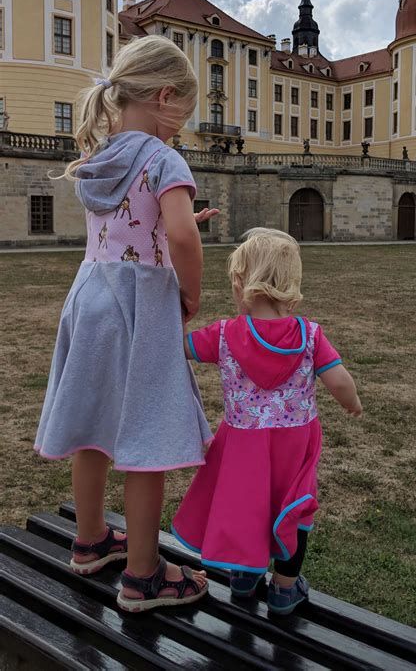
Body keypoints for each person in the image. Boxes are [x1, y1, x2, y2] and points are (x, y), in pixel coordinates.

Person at [35, 35, 219, 612]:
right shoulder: (164, 158)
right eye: (180, 117)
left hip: (90, 296)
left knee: (92, 423)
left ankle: (90, 541)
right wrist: (190, 292)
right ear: (164, 96)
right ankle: (143, 575)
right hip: (141, 304)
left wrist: (171, 226)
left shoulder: (100, 156)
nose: (178, 130)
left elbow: (128, 230)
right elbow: (182, 236)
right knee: (149, 430)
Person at [172, 228, 362, 615]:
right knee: (294, 508)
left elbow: (179, 347)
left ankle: (244, 578)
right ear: (291, 284)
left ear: (240, 283)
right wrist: (352, 403)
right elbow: (339, 380)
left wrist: (176, 313)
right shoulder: (310, 335)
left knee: (248, 507)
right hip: (295, 444)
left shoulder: (223, 334)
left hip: (241, 444)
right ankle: (284, 590)